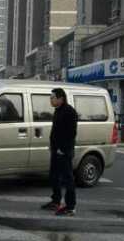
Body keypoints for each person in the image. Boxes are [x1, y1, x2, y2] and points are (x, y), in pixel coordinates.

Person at [41, 88, 78, 216]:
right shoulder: (58, 111)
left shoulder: (69, 112)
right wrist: (52, 146)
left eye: (52, 97)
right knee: (54, 176)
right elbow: (56, 131)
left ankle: (70, 207)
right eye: (51, 98)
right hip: (56, 150)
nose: (51, 100)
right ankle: (56, 201)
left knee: (68, 179)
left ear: (61, 98)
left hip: (64, 151)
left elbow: (71, 133)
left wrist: (63, 149)